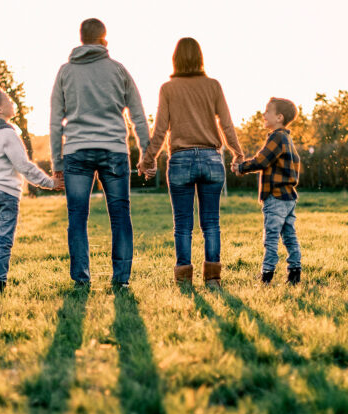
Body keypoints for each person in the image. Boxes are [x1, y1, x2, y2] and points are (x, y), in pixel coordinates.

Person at [50, 18, 150, 288]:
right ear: (104, 38)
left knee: (77, 217)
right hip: (114, 150)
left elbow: (55, 119)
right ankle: (121, 280)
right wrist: (146, 154)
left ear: (81, 39)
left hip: (76, 152)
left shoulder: (65, 72)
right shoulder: (118, 70)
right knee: (120, 215)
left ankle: (81, 280)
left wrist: (57, 162)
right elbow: (138, 115)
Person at [138, 37, 243, 288]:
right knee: (211, 223)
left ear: (175, 58)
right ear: (200, 58)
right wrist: (237, 152)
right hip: (211, 158)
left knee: (182, 224)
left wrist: (148, 159)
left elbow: (161, 129)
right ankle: (213, 279)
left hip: (181, 160)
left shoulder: (168, 88)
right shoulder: (213, 86)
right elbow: (226, 124)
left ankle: (184, 280)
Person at [0, 87, 63, 293]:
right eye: (8, 101)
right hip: (7, 194)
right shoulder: (8, 133)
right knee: (4, 240)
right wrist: (50, 183)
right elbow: (23, 165)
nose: (12, 103)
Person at [231, 97, 302, 284]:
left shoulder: (276, 137)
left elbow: (261, 160)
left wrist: (241, 167)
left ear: (279, 117)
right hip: (288, 197)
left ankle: (267, 275)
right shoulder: (287, 138)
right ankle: (294, 272)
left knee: (271, 237)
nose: (263, 115)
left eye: (267, 111)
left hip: (276, 197)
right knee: (289, 236)